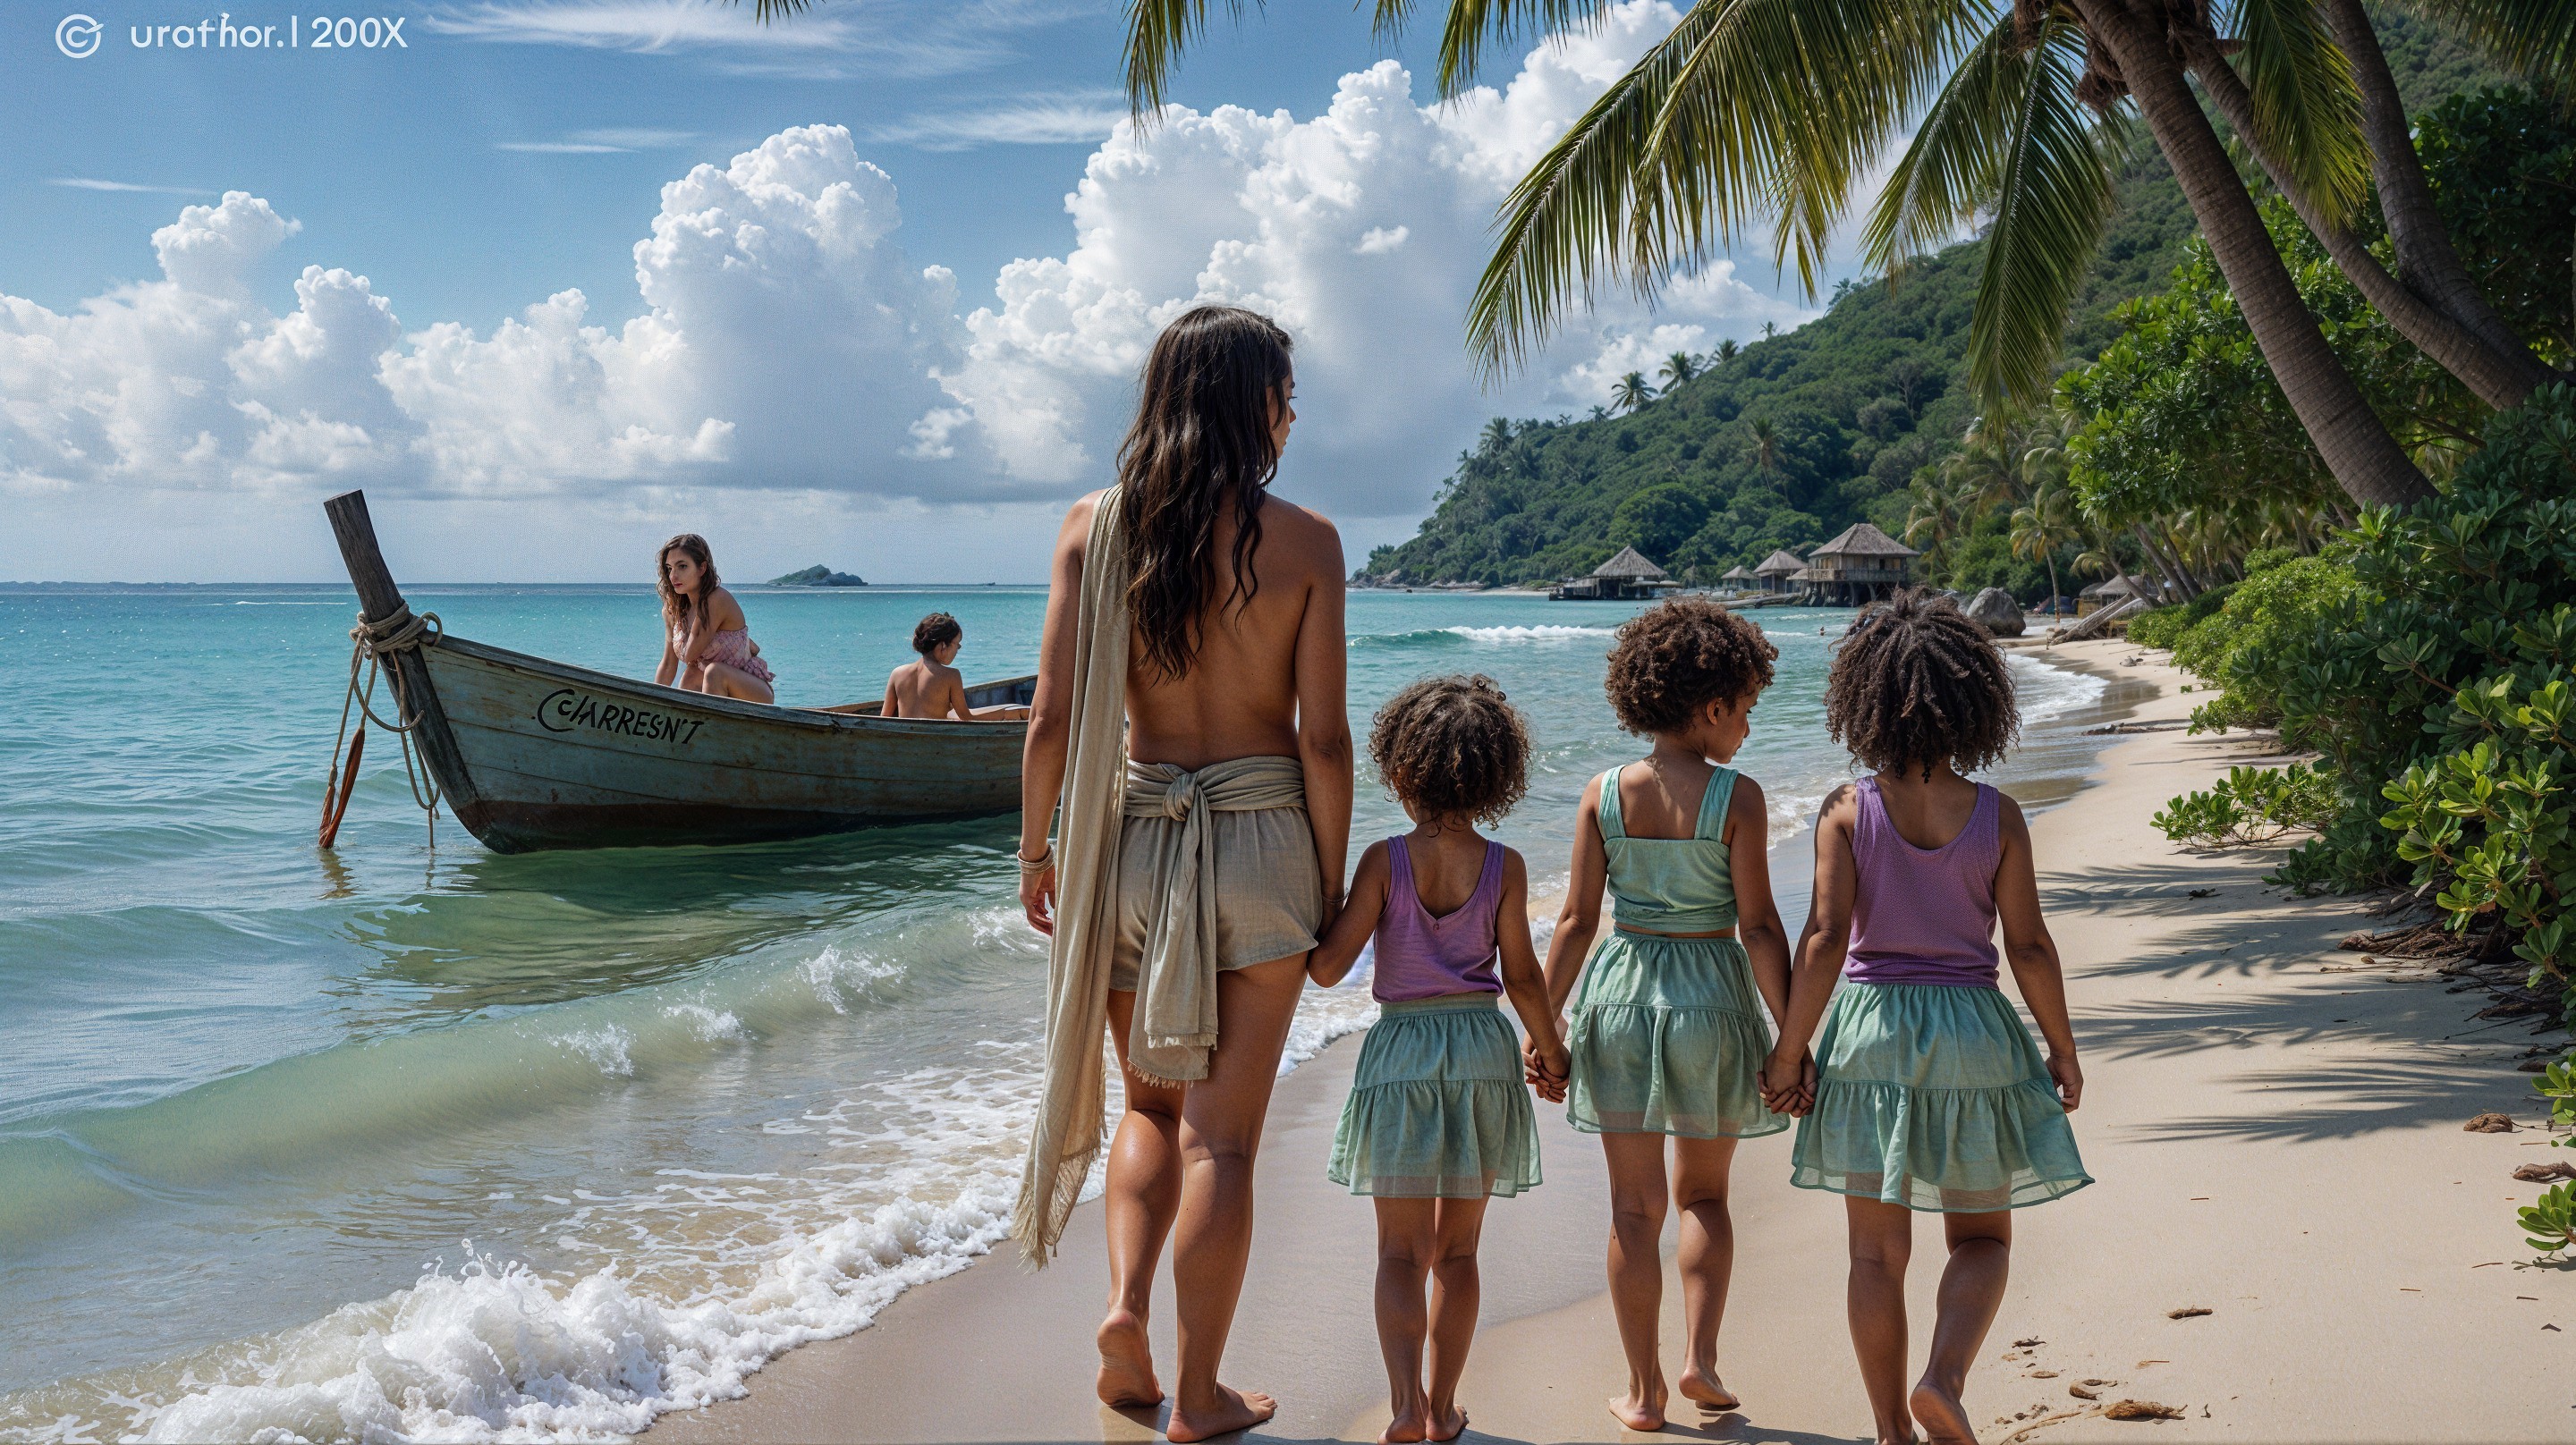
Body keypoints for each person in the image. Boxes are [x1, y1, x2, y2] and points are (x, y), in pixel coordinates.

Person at [1013, 305, 1350, 1442]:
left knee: (1149, 1110)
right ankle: (1199, 1395)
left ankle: (1122, 1311)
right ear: (1255, 401)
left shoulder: (1090, 528)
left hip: (1130, 839)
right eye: (1285, 392)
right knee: (1226, 1139)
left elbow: (1052, 716)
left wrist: (1037, 848)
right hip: (1259, 839)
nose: (1292, 414)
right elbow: (1324, 741)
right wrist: (1330, 876)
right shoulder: (1304, 541)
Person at [1762, 590, 2091, 1445]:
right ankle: (1941, 1380)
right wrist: (2061, 1048)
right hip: (1973, 1034)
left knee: (1874, 1254)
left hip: (1870, 1033)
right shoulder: (1998, 815)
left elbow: (1826, 938)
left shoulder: (1845, 809)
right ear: (1975, 702)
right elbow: (2029, 949)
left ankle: (1888, 1432)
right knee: (1981, 1238)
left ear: (1863, 701)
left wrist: (1790, 1051)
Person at [1540, 597, 1801, 1433]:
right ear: (1713, 707)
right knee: (1706, 1201)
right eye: (1748, 710)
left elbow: (1577, 923)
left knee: (1632, 1210)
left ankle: (1645, 1391)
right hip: (1713, 1002)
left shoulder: (1603, 794)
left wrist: (1543, 1033)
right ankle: (1701, 1359)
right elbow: (1759, 926)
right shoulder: (1738, 799)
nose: (1750, 729)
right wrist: (1792, 1040)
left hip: (1620, 999)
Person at [1306, 675, 1568, 1445]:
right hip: (1483, 1049)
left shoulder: (1384, 861)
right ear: (1496, 775)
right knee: (1458, 1251)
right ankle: (1446, 1405)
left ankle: (1402, 1407)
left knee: (1398, 1252)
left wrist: (1309, 915)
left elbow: (1327, 970)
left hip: (1401, 1053)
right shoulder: (1505, 865)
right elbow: (1521, 974)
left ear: (1399, 771)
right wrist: (1550, 1049)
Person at [653, 535, 775, 704]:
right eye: (669, 568)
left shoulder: (717, 599)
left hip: (752, 692)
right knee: (691, 675)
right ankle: (690, 726)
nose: (673, 576)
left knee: (712, 671)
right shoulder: (674, 610)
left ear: (702, 568)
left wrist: (679, 622)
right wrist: (648, 704)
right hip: (713, 692)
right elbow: (668, 665)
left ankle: (710, 727)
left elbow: (690, 654)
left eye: (682, 566)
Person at [882, 613, 1029, 720]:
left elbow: (884, 719)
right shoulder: (951, 675)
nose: (958, 649)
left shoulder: (897, 673)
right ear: (943, 645)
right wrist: (1004, 712)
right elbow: (966, 717)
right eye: (957, 645)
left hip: (905, 744)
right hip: (935, 746)